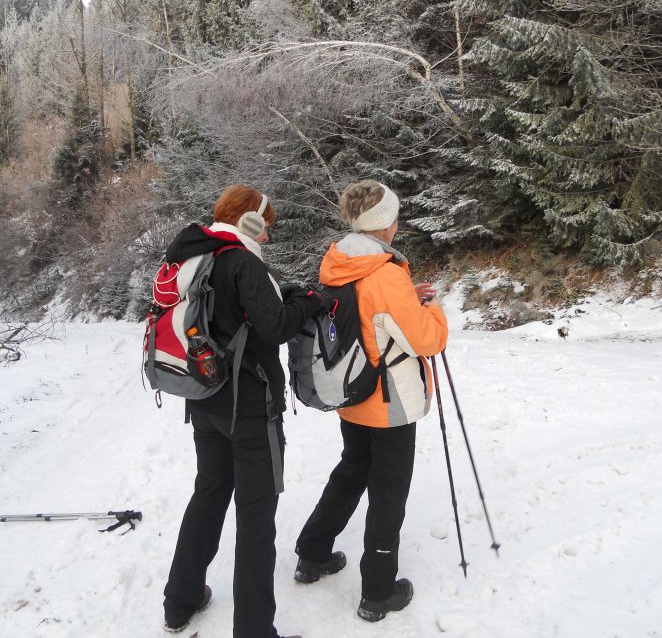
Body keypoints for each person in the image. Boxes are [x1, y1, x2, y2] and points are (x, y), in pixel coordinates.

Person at [162, 185, 325, 638]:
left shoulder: (195, 255)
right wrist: (307, 301)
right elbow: (274, 327)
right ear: (250, 222)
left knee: (209, 493)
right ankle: (254, 630)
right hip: (249, 409)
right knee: (256, 518)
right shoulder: (242, 260)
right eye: (265, 226)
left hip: (203, 399)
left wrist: (281, 296)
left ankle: (181, 599)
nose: (268, 237)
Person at [293, 180, 448, 622]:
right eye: (395, 217)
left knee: (351, 472)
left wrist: (406, 299)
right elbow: (428, 340)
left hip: (353, 391)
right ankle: (378, 591)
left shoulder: (337, 261)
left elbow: (369, 313)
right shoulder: (385, 272)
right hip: (390, 401)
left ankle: (313, 551)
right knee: (388, 491)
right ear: (385, 224)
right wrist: (432, 307)